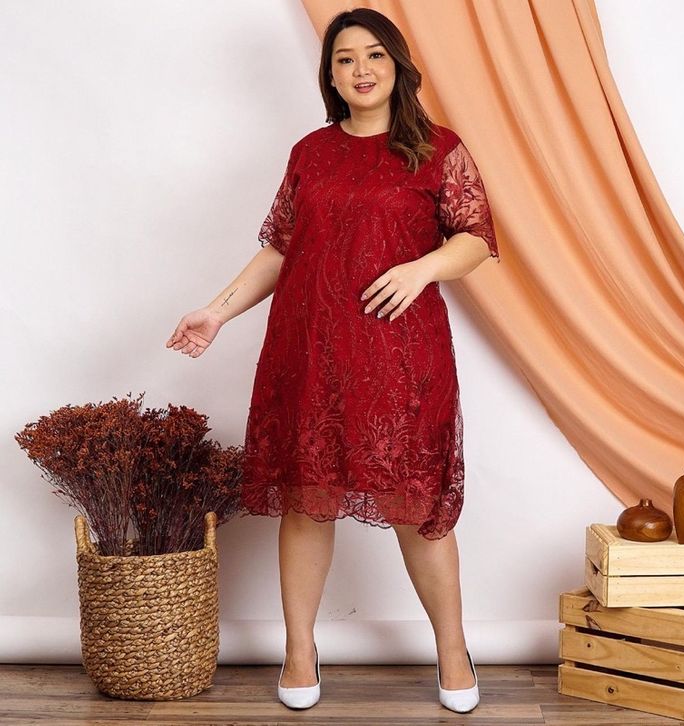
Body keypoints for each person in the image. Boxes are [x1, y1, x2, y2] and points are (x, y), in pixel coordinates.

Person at [166, 7, 498, 715]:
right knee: (307, 504)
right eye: (345, 59)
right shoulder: (311, 153)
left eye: (374, 55)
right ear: (332, 76)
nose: (361, 70)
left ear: (398, 66)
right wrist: (216, 311)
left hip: (401, 360)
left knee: (417, 506)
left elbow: (475, 237)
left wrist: (421, 268)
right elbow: (281, 249)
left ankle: (453, 650)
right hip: (310, 353)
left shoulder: (437, 148)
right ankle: (299, 651)